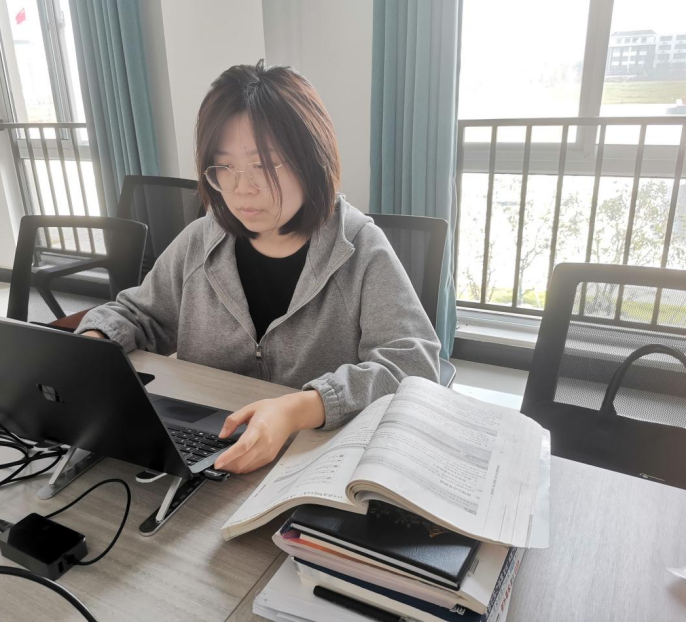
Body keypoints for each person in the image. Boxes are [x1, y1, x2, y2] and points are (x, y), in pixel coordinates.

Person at [77, 60, 440, 474]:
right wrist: (92, 344)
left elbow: (414, 365)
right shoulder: (201, 241)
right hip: (212, 449)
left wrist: (302, 407)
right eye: (224, 167)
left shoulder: (358, 247)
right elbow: (139, 315)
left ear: (311, 159)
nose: (241, 188)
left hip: (310, 458)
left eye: (263, 165)